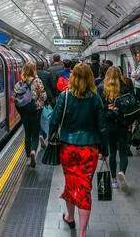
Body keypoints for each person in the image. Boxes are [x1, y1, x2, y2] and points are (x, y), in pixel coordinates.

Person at [49, 63, 108, 237]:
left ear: (72, 77)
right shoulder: (96, 98)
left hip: (68, 147)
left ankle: (70, 216)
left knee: (71, 182)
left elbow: (54, 121)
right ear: (90, 78)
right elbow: (102, 126)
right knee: (85, 187)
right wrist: (104, 150)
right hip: (89, 149)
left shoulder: (65, 96)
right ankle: (82, 232)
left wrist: (51, 135)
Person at [97, 66, 131, 192]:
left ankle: (113, 181)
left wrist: (108, 108)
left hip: (108, 124)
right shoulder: (125, 87)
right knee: (123, 151)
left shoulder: (101, 88)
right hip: (122, 124)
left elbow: (98, 107)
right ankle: (122, 172)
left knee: (112, 152)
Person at [12, 62, 47, 168]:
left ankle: (27, 158)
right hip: (36, 111)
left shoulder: (19, 84)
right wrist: (39, 104)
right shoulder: (37, 81)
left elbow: (14, 98)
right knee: (35, 135)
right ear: (34, 69)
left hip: (24, 112)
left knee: (27, 134)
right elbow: (43, 96)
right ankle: (33, 151)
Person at [37, 60, 56, 149]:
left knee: (39, 119)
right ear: (44, 66)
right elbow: (53, 87)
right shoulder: (47, 74)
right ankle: (45, 135)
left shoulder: (33, 75)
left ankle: (40, 134)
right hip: (47, 99)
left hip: (35, 101)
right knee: (47, 118)